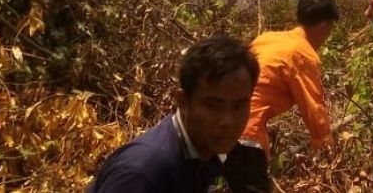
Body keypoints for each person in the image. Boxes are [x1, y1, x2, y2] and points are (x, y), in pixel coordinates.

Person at [89, 34, 266, 193]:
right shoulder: (142, 172)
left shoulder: (209, 153)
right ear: (182, 101)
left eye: (238, 106)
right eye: (213, 106)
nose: (227, 121)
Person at [241, 0, 338, 161]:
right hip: (247, 129)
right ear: (324, 26)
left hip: (218, 121)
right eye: (330, 29)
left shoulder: (266, 38)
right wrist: (328, 152)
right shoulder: (303, 55)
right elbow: (314, 108)